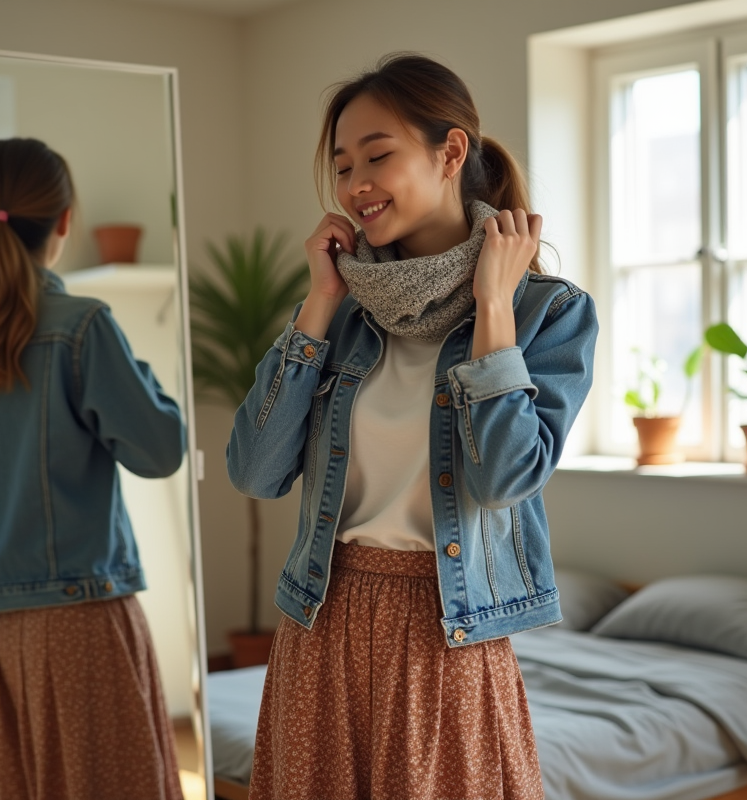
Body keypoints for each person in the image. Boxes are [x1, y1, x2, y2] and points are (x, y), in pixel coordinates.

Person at [226, 53, 599, 799]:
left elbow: (504, 479)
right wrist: (319, 304)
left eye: (378, 155)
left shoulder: (548, 314)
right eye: (341, 167)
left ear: (450, 151)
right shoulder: (341, 313)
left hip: (448, 630)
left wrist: (494, 307)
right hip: (321, 619)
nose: (355, 184)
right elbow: (255, 470)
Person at [0, 137, 187, 800]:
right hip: (83, 620)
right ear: (65, 220)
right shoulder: (81, 326)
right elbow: (162, 450)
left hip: (4, 629)